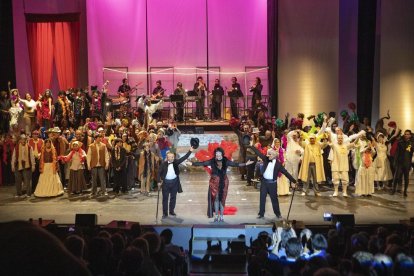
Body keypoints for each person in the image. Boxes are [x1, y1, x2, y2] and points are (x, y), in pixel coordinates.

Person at [188, 147, 253, 222]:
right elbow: (203, 163)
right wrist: (192, 163)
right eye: (216, 154)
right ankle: (216, 216)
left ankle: (221, 216)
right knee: (216, 199)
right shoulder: (212, 161)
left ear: (222, 154)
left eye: (219, 154)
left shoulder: (226, 161)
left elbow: (236, 164)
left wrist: (245, 164)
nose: (217, 155)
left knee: (222, 199)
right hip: (214, 182)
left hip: (224, 182)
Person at [248, 146, 296, 220]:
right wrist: (251, 146)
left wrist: (294, 181)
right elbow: (258, 153)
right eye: (268, 154)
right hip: (264, 182)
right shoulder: (266, 159)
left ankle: (278, 214)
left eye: (270, 154)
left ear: (274, 156)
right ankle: (261, 214)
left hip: (272, 184)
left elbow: (286, 173)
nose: (268, 155)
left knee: (274, 199)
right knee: (262, 198)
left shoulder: (278, 164)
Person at [158, 146, 193, 219]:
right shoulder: (163, 164)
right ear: (167, 157)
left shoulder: (176, 162)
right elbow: (159, 173)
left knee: (173, 198)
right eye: (170, 157)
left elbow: (184, 158)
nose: (171, 158)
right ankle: (165, 213)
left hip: (174, 183)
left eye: (172, 157)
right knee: (165, 199)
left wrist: (190, 151)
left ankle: (171, 211)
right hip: (166, 184)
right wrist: (159, 181)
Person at [392, 129, 414, 196]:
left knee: (406, 178)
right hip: (400, 162)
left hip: (407, 163)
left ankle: (405, 191)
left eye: (408, 134)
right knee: (396, 177)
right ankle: (393, 190)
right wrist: (395, 162)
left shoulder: (412, 143)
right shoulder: (400, 142)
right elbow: (397, 153)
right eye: (405, 134)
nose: (406, 135)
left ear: (410, 135)